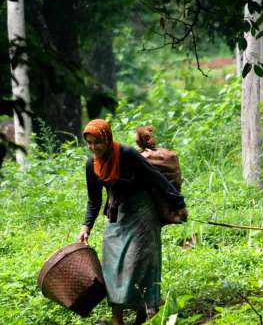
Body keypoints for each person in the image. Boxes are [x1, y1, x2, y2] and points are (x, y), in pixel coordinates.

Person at [77, 119, 186, 325]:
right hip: (118, 215)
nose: (93, 147)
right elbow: (94, 200)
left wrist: (177, 202)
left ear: (107, 139)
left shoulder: (126, 155)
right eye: (89, 143)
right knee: (111, 266)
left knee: (139, 263)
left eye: (97, 142)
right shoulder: (91, 164)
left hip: (143, 212)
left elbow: (155, 177)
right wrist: (86, 227)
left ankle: (142, 316)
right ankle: (117, 318)